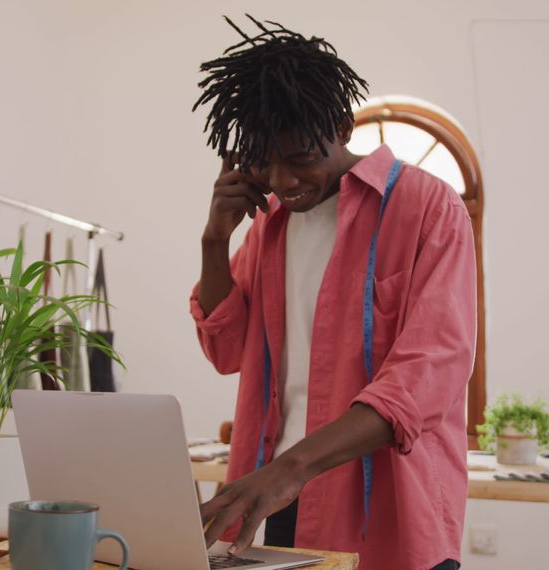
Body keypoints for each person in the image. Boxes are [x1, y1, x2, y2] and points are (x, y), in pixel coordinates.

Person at [189, 15, 476, 570]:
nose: (281, 181)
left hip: (387, 508)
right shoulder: (268, 227)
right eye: (262, 161)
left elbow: (427, 374)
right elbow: (227, 353)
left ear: (342, 127)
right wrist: (214, 241)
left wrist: (290, 469)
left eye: (299, 160)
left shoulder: (427, 208)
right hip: (276, 500)